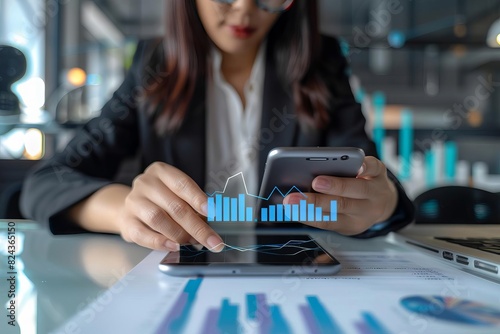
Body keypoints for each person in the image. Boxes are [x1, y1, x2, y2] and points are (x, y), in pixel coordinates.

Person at [20, 0, 414, 253]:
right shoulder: (154, 63)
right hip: (180, 275)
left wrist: (382, 204)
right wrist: (124, 209)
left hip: (293, 271)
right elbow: (46, 183)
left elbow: (367, 172)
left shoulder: (320, 60)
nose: (244, 11)